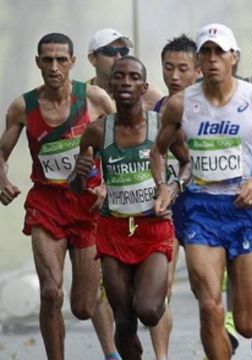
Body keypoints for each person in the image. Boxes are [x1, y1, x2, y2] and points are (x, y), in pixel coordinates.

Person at [150, 23, 252, 359]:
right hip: (200, 210)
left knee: (247, 324)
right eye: (205, 52)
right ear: (199, 60)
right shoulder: (181, 104)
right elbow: (158, 150)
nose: (212, 58)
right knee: (209, 305)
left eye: (219, 51)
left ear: (233, 57)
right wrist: (163, 185)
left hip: (244, 209)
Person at [0, 33, 115, 360]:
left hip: (87, 205)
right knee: (51, 292)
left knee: (83, 305)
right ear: (37, 62)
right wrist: (2, 179)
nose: (54, 66)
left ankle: (111, 350)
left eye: (61, 59)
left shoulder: (95, 100)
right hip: (46, 205)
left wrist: (106, 185)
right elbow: (2, 152)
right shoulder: (23, 107)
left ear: (73, 62)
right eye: (47, 59)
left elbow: (118, 147)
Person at [69, 55, 176, 359]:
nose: (125, 82)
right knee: (125, 319)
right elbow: (80, 187)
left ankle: (154, 307)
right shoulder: (96, 132)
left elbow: (188, 166)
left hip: (152, 228)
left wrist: (171, 188)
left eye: (132, 77)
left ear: (144, 86)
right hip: (114, 230)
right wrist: (79, 174)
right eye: (119, 77)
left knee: (149, 310)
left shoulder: (161, 126)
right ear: (111, 85)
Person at [150, 34, 201, 359]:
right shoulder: (154, 109)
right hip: (165, 207)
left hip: (202, 206)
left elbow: (190, 160)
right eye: (168, 68)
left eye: (183, 68)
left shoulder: (210, 106)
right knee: (161, 288)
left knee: (204, 288)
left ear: (197, 70)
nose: (174, 76)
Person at [87, 28, 162, 110]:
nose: (119, 58)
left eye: (123, 51)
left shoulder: (147, 94)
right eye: (110, 51)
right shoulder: (81, 93)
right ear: (92, 58)